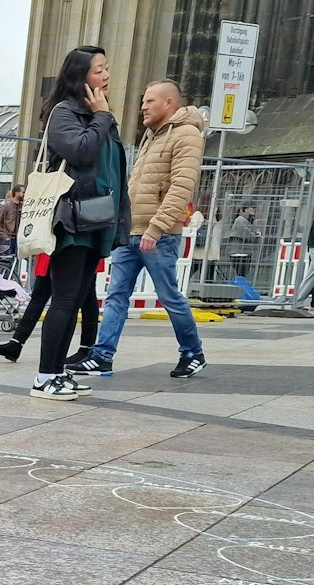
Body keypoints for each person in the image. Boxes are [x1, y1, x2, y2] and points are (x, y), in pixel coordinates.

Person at [69, 79, 207, 381]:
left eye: (150, 101)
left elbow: (181, 187)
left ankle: (193, 353)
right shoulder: (152, 135)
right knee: (116, 295)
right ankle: (102, 356)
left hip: (160, 235)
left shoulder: (187, 134)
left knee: (168, 296)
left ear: (169, 103)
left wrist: (156, 228)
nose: (143, 106)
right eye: (143, 100)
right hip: (131, 230)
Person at [14, 45, 125, 403]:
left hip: (95, 218)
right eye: (98, 70)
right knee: (63, 300)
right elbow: (80, 152)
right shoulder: (65, 111)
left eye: (106, 68)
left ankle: (57, 371)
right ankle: (45, 376)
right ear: (79, 76)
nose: (105, 75)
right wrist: (102, 116)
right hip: (71, 218)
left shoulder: (96, 113)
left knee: (75, 299)